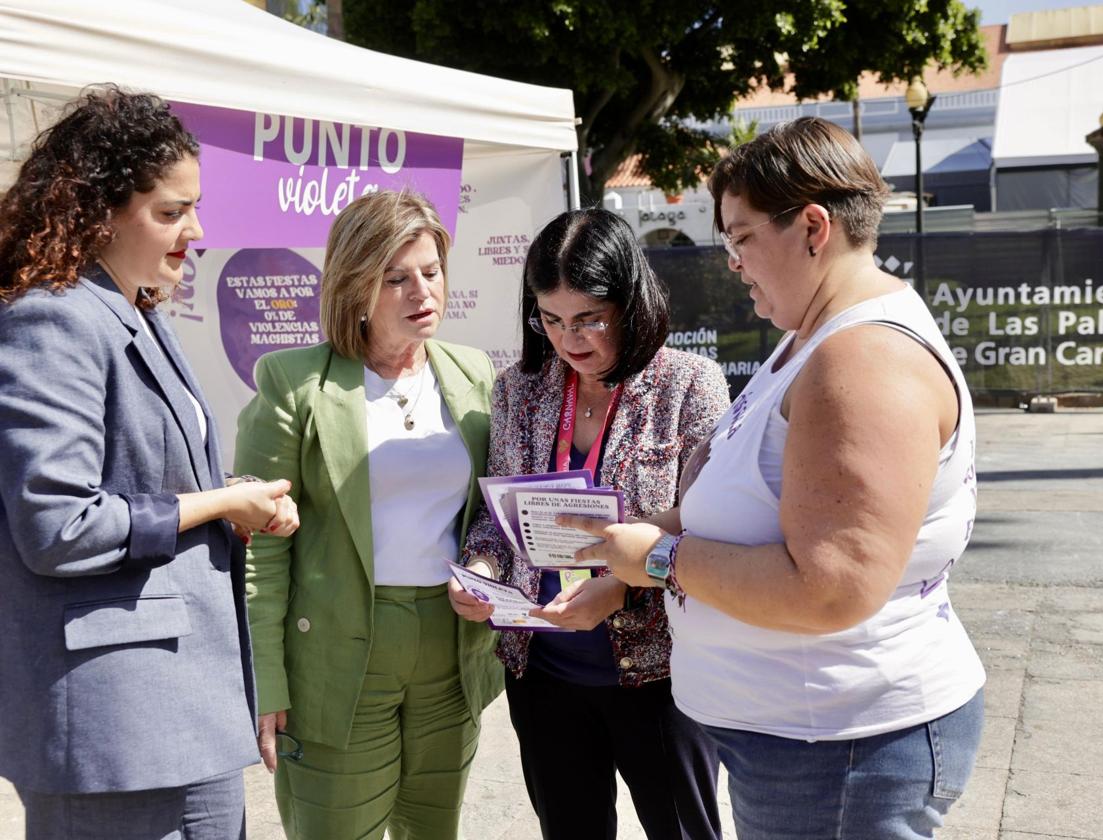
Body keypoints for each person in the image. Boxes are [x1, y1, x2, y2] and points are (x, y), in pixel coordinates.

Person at [561, 117, 987, 840]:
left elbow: (831, 587)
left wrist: (658, 560)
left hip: (842, 750)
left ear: (813, 227)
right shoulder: (814, 336)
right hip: (813, 743)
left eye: (741, 237)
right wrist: (635, 544)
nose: (732, 261)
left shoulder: (863, 360)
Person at [0, 88, 299, 839]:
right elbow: (58, 525)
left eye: (193, 209)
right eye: (170, 212)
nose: (195, 231)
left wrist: (230, 498)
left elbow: (144, 490)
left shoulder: (129, 310)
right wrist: (219, 507)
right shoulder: (53, 318)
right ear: (98, 210)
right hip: (116, 727)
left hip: (178, 712)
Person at [450, 208, 728, 840]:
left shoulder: (689, 384)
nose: (568, 340)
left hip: (659, 670)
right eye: (550, 320)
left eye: (588, 320)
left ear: (630, 303)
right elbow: (500, 524)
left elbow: (713, 521)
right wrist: (482, 571)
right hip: (545, 672)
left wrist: (622, 585)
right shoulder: (520, 390)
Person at [234, 189, 503, 840]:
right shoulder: (292, 382)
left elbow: (488, 514)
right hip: (335, 659)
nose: (422, 291)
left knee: (433, 831)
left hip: (451, 653)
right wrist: (265, 680)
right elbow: (259, 548)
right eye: (397, 278)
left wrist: (484, 564)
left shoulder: (473, 372)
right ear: (357, 286)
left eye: (431, 272)